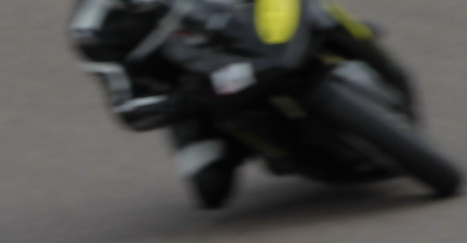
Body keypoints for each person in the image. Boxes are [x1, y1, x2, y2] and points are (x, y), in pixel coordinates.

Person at [68, 0, 413, 208]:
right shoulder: (90, 31)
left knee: (316, 13)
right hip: (198, 91)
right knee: (211, 189)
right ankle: (272, 146)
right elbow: (126, 108)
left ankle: (368, 53)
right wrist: (183, 102)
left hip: (246, 37)